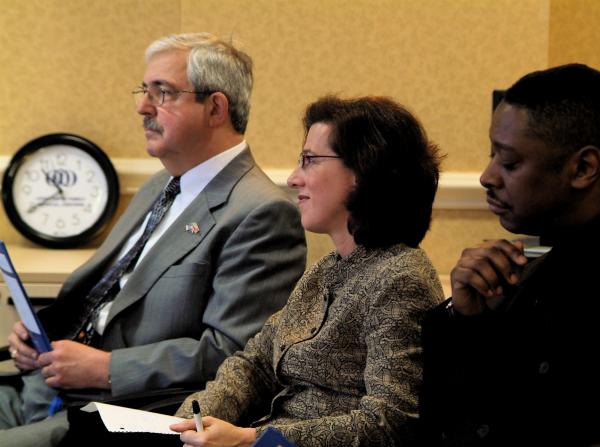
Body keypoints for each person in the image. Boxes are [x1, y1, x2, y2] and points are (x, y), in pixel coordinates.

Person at [0, 32, 306, 446]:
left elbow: (233, 354)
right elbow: (105, 296)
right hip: (46, 386)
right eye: (145, 91)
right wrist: (39, 334)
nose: (143, 107)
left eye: (162, 93)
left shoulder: (261, 211)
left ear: (215, 107)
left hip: (122, 411)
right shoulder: (161, 184)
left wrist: (105, 368)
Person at [152, 95, 444, 447]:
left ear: (366, 170)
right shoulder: (330, 267)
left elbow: (389, 422)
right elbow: (255, 363)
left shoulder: (400, 279)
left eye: (309, 161)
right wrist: (185, 426)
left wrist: (250, 440)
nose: (293, 178)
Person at [420, 63, 600, 446]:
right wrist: (466, 318)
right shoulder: (538, 256)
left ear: (584, 167)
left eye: (510, 162)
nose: (487, 177)